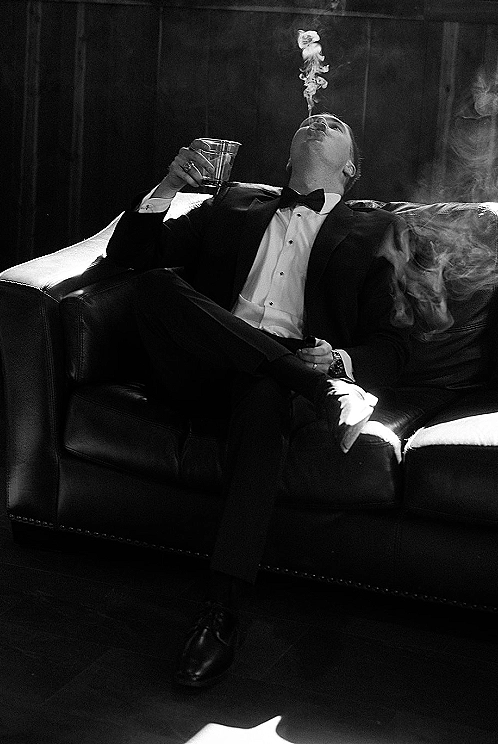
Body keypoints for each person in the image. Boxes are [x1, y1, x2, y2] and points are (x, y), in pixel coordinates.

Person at [105, 112, 410, 688]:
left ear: (350, 167)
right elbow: (131, 256)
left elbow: (395, 347)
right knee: (154, 286)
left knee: (266, 395)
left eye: (335, 122)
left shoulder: (378, 234)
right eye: (313, 118)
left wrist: (341, 362)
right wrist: (169, 185)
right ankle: (310, 385)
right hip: (200, 364)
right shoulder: (235, 202)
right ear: (287, 156)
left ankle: (223, 613)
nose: (320, 118)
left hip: (266, 386)